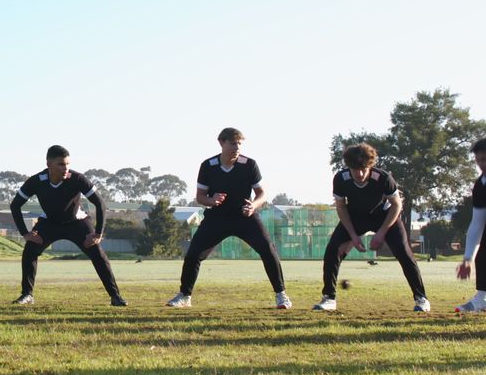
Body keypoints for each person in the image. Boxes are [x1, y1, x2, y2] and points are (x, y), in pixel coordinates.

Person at [166, 128, 291, 309]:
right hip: (217, 218)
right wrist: (211, 200)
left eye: (240, 143)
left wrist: (253, 206)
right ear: (221, 143)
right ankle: (185, 296)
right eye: (233, 143)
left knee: (268, 250)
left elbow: (262, 193)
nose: (237, 147)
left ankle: (281, 295)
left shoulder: (249, 164)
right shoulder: (208, 166)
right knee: (193, 255)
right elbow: (200, 197)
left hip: (244, 217)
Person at [312, 143, 430, 312]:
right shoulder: (340, 178)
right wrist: (352, 235)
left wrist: (381, 233)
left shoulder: (383, 178)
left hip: (384, 216)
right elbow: (341, 207)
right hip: (355, 217)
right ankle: (329, 298)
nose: (359, 174)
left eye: (363, 169)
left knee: (404, 252)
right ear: (348, 167)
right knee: (332, 250)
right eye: (355, 169)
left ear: (370, 166)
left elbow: (397, 205)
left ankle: (421, 299)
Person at [8, 145, 127, 306]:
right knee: (30, 250)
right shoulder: (36, 181)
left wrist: (98, 234)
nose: (66, 168)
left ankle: (115, 296)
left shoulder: (77, 179)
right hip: (49, 223)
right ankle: (27, 295)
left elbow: (100, 204)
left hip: (76, 223)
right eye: (61, 164)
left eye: (68, 164)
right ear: (49, 164)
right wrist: (25, 233)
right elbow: (15, 205)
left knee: (97, 253)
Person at [455, 138, 486, 313]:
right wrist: (468, 259)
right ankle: (482, 298)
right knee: (483, 250)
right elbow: (478, 223)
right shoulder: (480, 186)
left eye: (485, 159)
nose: (482, 164)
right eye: (479, 160)